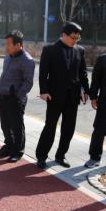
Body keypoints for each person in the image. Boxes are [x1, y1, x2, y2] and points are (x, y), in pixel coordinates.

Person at [36, 22, 89, 169]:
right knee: (50, 126)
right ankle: (41, 156)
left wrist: (86, 90)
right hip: (54, 96)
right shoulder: (50, 50)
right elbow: (43, 73)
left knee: (69, 128)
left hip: (73, 96)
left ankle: (60, 155)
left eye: (77, 38)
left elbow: (83, 73)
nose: (75, 41)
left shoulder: (80, 50)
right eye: (73, 37)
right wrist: (44, 91)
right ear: (64, 34)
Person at [0, 30, 35, 162]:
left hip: (15, 99)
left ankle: (18, 151)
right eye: (5, 44)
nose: (6, 47)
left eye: (9, 44)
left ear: (18, 45)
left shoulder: (27, 60)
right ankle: (9, 146)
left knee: (16, 126)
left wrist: (18, 97)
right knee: (5, 125)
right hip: (3, 97)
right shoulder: (8, 57)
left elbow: (28, 82)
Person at [85, 36, 106, 170]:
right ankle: (94, 157)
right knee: (100, 130)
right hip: (105, 102)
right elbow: (95, 81)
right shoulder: (103, 60)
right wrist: (93, 97)